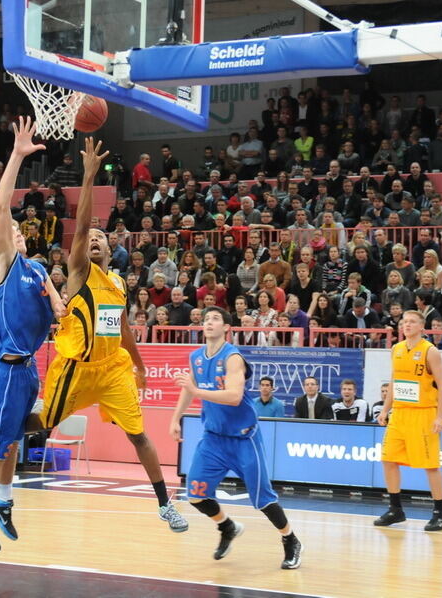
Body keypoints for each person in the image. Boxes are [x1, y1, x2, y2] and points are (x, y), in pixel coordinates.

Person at [32, 136, 188, 534]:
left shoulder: (117, 282)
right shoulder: (80, 271)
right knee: (40, 423)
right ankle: (0, 429)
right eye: (92, 238)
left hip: (112, 367)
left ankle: (165, 503)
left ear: (111, 248)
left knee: (139, 436)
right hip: (77, 367)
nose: (96, 239)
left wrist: (139, 365)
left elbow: (119, 329)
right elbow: (82, 225)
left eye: (103, 238)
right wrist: (88, 177)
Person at [0, 117, 65, 554]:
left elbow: (57, 308)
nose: (18, 232)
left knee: (15, 442)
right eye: (12, 231)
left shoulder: (38, 269)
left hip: (27, 369)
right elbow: (3, 207)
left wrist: (61, 307)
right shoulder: (3, 264)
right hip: (4, 366)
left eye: (23, 231)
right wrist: (18, 156)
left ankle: (4, 502)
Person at [169, 306, 302, 566]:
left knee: (263, 499)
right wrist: (176, 418)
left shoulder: (233, 357)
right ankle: (227, 526)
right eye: (206, 318)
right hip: (213, 439)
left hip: (243, 439)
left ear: (226, 327)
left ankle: (290, 539)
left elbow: (233, 396)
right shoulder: (196, 356)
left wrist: (195, 391)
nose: (209, 322)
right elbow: (189, 390)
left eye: (215, 318)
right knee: (195, 494)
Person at [375, 310, 442, 532]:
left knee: (430, 465)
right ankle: (395, 509)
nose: (407, 325)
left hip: (423, 413)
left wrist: (439, 416)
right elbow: (394, 381)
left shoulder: (430, 351)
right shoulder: (396, 349)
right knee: (388, 460)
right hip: (399, 413)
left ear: (421, 327)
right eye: (404, 322)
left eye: (412, 322)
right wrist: (385, 409)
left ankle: (439, 513)